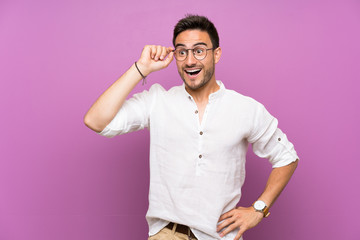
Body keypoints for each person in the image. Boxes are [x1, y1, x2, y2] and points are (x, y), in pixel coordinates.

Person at [84, 14, 299, 240]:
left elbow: (287, 157)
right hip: (167, 234)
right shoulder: (158, 100)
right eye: (182, 52)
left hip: (221, 236)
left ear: (216, 54)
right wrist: (141, 68)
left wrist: (259, 209)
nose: (190, 61)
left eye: (199, 50)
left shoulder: (246, 109)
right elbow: (96, 121)